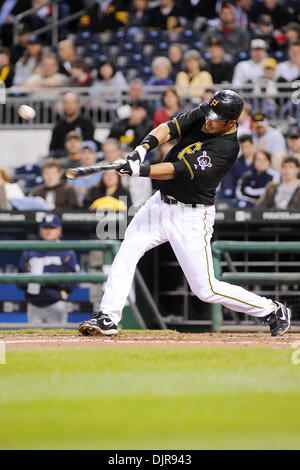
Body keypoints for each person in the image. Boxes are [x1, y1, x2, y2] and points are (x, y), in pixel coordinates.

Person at [79, 89, 291, 338]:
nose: (209, 121)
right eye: (209, 114)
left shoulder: (226, 148)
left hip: (191, 216)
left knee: (206, 289)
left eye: (216, 119)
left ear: (231, 122)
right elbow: (170, 127)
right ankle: (108, 316)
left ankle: (272, 309)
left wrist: (140, 171)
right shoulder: (206, 112)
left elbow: (177, 169)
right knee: (127, 250)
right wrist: (141, 149)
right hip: (159, 204)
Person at [18, 214, 79, 325]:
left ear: (59, 230)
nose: (49, 231)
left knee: (57, 339)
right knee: (33, 339)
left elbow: (74, 281)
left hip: (56, 302)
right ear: (40, 230)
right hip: (33, 303)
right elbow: (19, 278)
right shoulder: (30, 251)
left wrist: (49, 281)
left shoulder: (67, 251)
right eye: (46, 228)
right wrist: (31, 282)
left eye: (52, 228)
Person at [218, 133, 256, 200]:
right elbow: (228, 181)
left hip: (254, 194)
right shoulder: (235, 163)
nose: (245, 150)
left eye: (247, 146)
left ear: (253, 145)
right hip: (237, 196)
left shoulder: (259, 161)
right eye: (242, 147)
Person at [68, 140, 102, 204]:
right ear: (80, 155)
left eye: (90, 152)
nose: (87, 156)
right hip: (76, 210)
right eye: (84, 153)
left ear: (96, 155)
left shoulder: (103, 174)